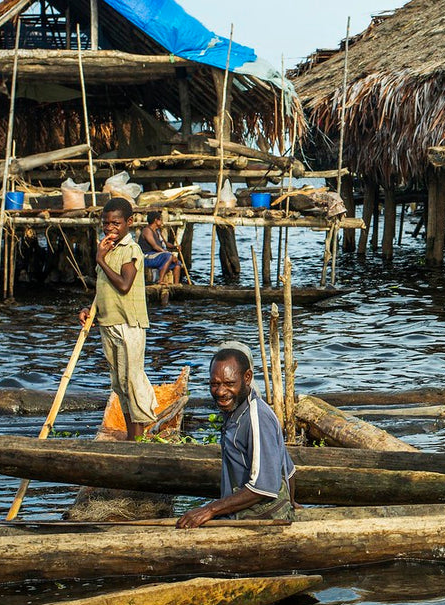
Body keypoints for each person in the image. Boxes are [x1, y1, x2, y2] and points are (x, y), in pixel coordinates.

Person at [177, 343, 296, 527]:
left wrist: (210, 509)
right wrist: (291, 504)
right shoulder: (235, 411)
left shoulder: (257, 418)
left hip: (259, 520)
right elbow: (288, 470)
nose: (221, 392)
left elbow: (263, 487)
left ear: (247, 378)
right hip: (241, 512)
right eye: (214, 384)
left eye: (229, 384)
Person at [83, 197, 156, 440]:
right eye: (106, 223)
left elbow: (124, 285)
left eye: (115, 223)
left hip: (128, 325)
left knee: (132, 382)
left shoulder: (131, 249)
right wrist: (89, 311)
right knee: (119, 384)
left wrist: (100, 259)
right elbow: (104, 288)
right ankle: (129, 434)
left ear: (129, 223)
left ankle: (138, 440)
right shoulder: (107, 249)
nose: (109, 228)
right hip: (108, 323)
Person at [139, 210, 181, 284]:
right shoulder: (147, 230)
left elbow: (166, 244)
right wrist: (169, 254)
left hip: (157, 256)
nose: (162, 222)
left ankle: (176, 285)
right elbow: (155, 246)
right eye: (160, 220)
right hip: (147, 257)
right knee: (168, 256)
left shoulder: (157, 231)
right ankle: (160, 280)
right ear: (156, 220)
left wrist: (175, 247)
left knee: (177, 263)